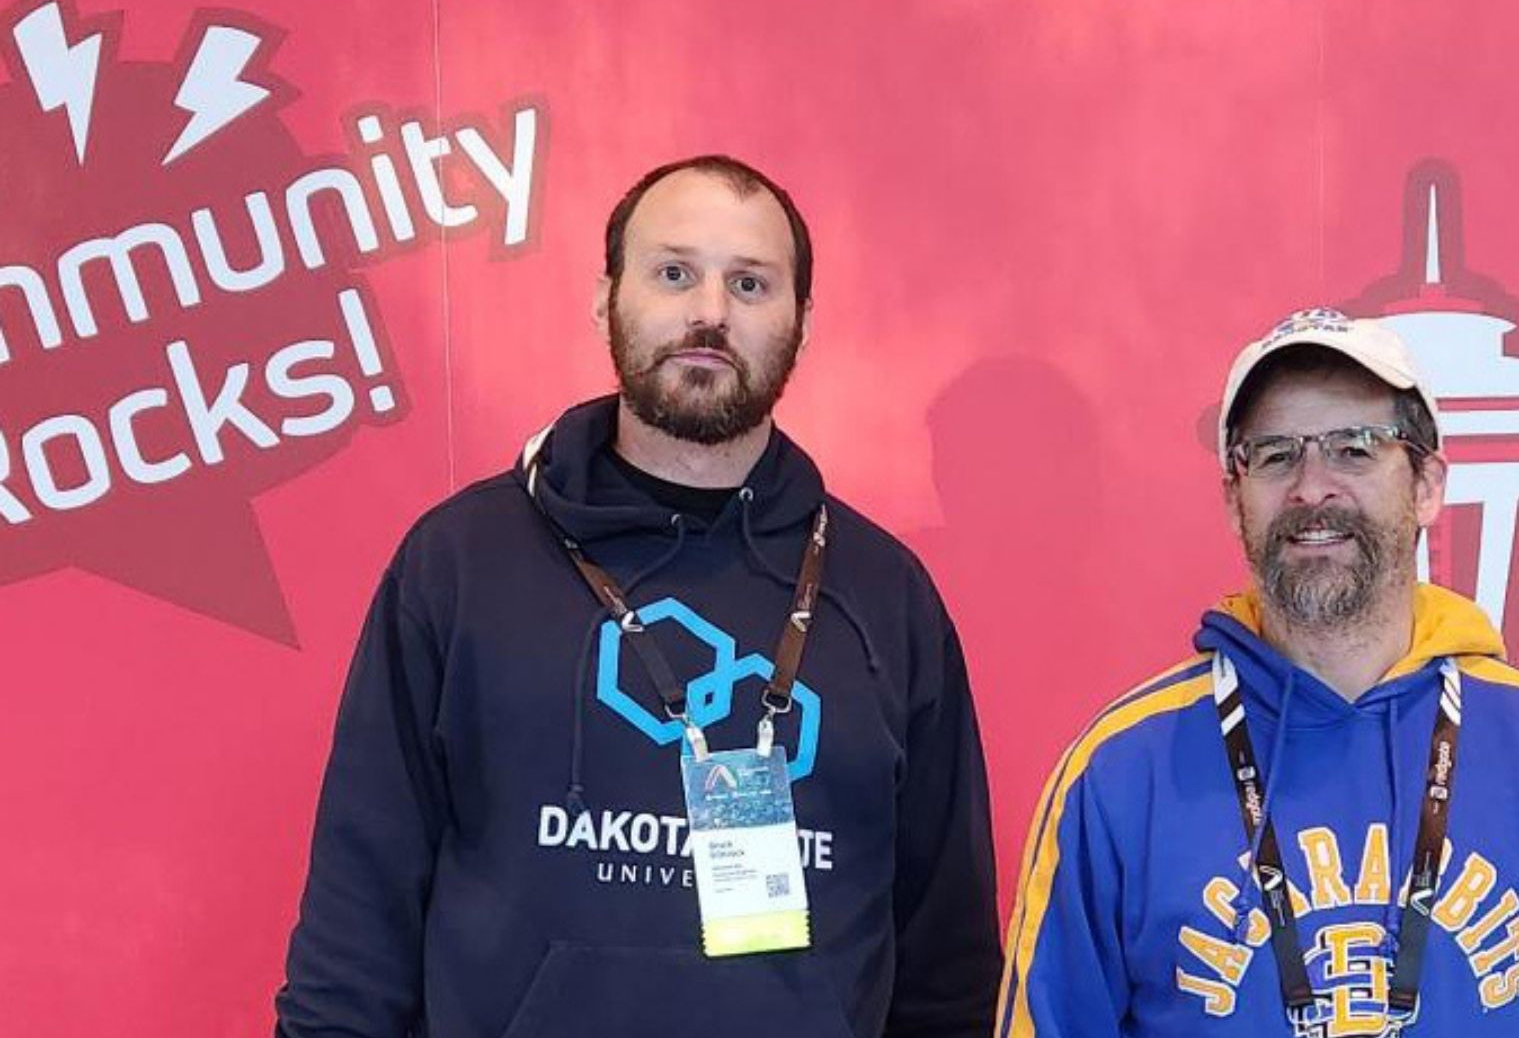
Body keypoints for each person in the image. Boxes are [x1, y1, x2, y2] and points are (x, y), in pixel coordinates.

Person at [275, 154, 1001, 1037]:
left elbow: (948, 968)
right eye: (674, 273)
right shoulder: (461, 564)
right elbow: (358, 922)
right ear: (605, 299)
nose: (710, 312)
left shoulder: (887, 598)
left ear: (802, 324)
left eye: (750, 283)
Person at [996, 308, 1519, 1037]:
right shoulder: (1120, 772)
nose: (1312, 487)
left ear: (1427, 484)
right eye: (1275, 455)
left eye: (1355, 449)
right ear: (1233, 499)